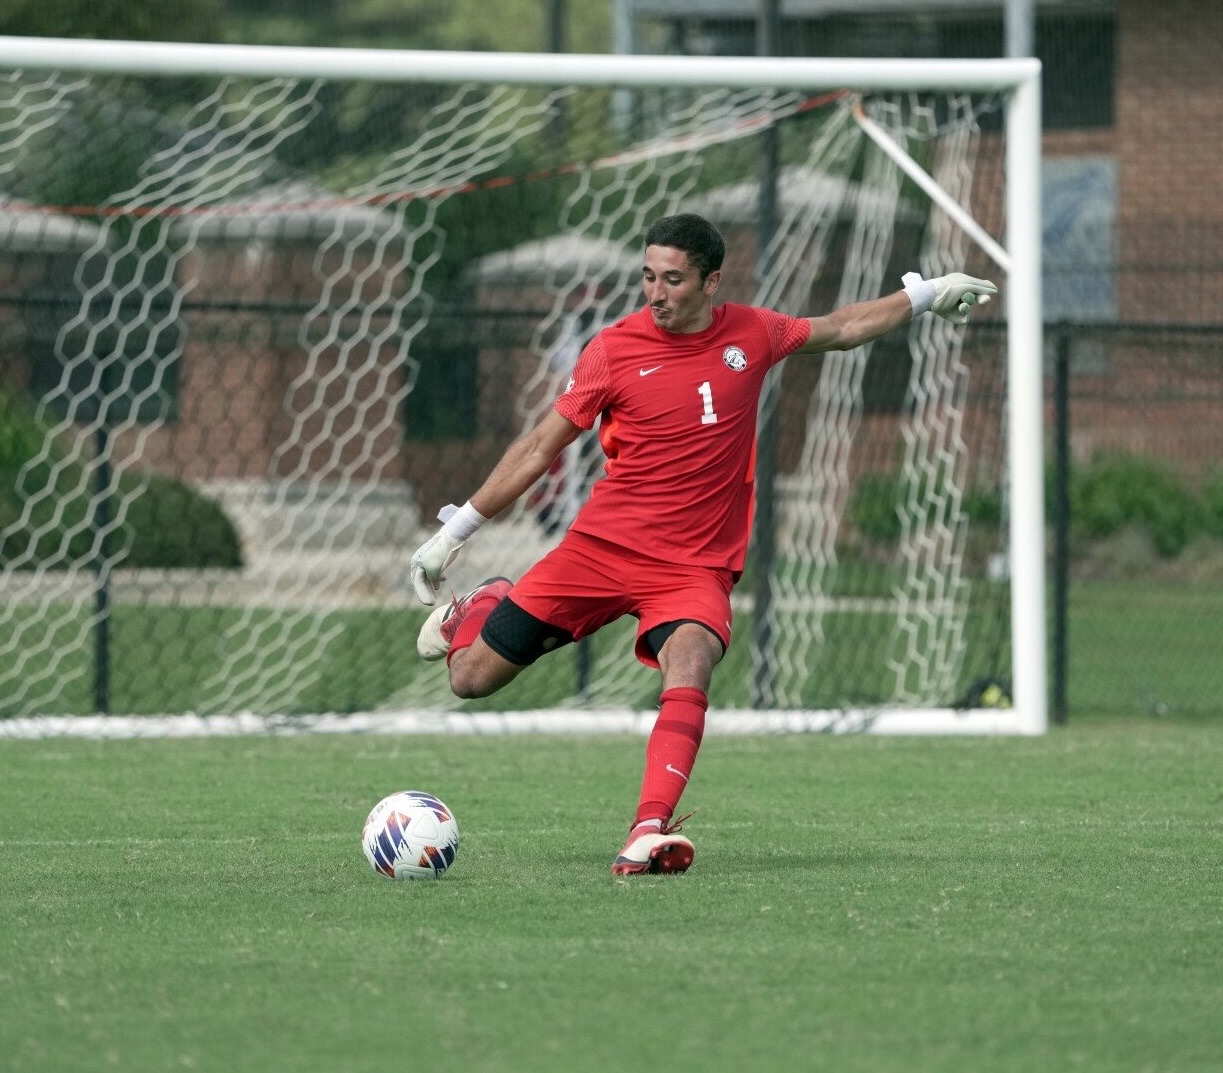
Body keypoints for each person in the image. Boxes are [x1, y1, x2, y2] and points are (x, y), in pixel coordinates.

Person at [408, 212, 996, 876]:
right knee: (469, 679)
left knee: (691, 664)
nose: (655, 293)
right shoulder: (612, 349)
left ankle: (647, 829)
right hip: (599, 550)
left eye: (672, 279)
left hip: (692, 569)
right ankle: (482, 607)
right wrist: (453, 534)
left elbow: (843, 327)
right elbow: (539, 447)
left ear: (711, 281)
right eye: (647, 277)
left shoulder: (755, 332)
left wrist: (923, 294)